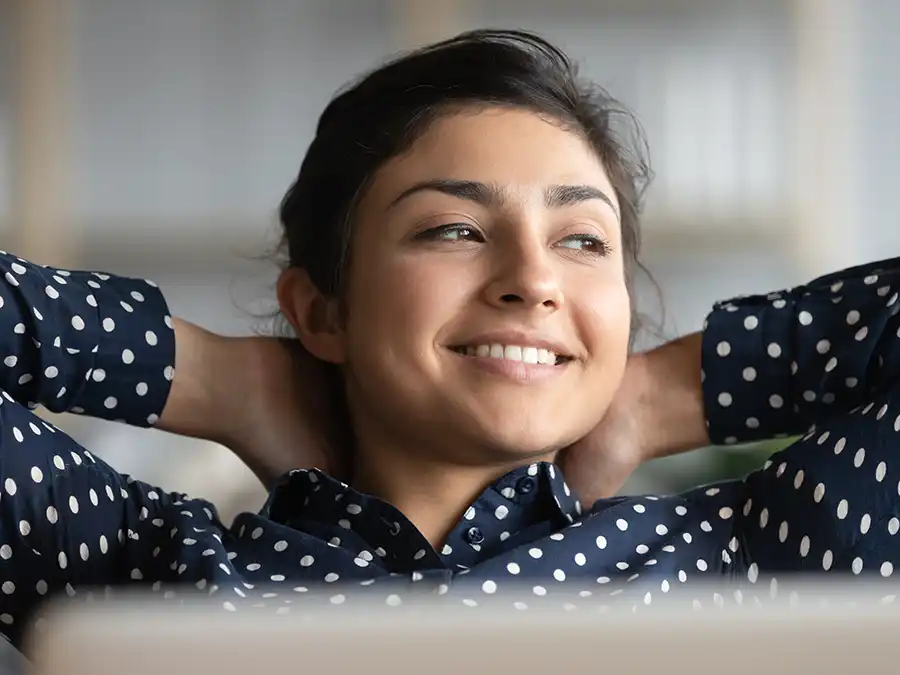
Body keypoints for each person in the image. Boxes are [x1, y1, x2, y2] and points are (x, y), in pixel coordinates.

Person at [0, 28, 896, 650]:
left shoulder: (752, 558)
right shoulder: (155, 577)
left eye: (583, 241)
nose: (534, 279)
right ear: (322, 312)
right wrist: (213, 378)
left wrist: (662, 394)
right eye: (454, 229)